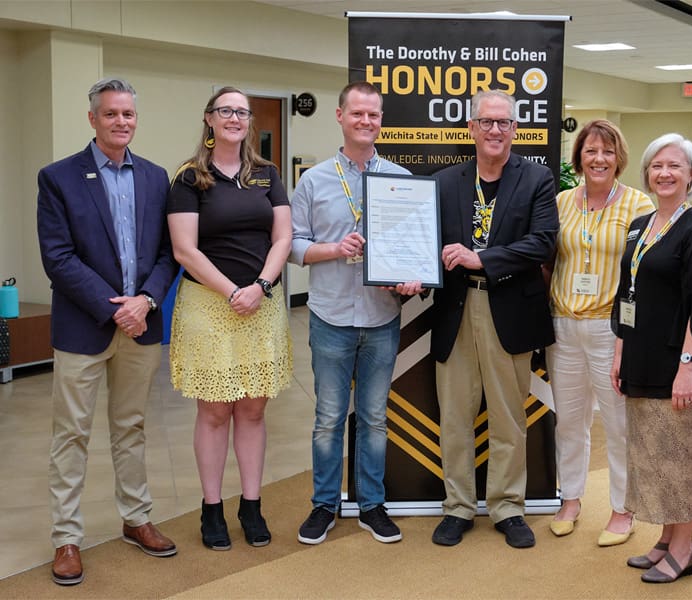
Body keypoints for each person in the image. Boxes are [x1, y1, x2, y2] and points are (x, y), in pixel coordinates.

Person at [37, 78, 178, 586]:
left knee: (132, 427)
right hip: (83, 327)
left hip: (142, 325)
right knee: (71, 434)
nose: (122, 121)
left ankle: (136, 518)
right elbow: (57, 257)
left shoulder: (157, 178)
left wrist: (146, 301)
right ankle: (66, 538)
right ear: (92, 118)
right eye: (112, 113)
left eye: (129, 114)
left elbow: (168, 254)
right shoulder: (58, 178)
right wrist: (112, 306)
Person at [290, 81, 422, 545]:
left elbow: (413, 252)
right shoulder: (314, 180)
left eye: (374, 115)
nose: (366, 121)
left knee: (374, 417)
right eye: (358, 113)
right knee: (328, 417)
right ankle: (325, 505)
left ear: (381, 120)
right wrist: (333, 248)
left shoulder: (401, 181)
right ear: (340, 116)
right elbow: (293, 246)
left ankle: (371, 505)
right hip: (330, 316)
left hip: (382, 317)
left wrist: (412, 278)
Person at [429, 89, 559, 549]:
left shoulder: (537, 179)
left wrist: (480, 257)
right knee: (455, 416)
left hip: (510, 309)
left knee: (508, 418)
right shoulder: (444, 183)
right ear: (471, 128)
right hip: (455, 310)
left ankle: (507, 506)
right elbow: (428, 247)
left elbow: (543, 243)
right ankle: (458, 507)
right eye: (486, 122)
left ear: (515, 130)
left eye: (504, 123)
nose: (495, 131)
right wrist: (406, 273)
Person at [168, 86, 293, 551]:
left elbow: (283, 237)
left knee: (254, 409)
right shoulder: (189, 178)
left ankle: (252, 505)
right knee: (216, 410)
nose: (235, 118)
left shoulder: (267, 174)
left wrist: (259, 288)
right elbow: (185, 249)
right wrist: (232, 292)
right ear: (210, 119)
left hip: (261, 306)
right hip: (209, 307)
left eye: (242, 112)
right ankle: (212, 508)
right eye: (226, 111)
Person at [610, 133, 692, 583]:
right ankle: (666, 539)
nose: (665, 173)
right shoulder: (640, 225)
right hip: (640, 360)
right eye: (657, 166)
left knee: (682, 459)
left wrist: (688, 369)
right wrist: (620, 352)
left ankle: (684, 549)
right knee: (653, 457)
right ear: (647, 174)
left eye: (675, 165)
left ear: (691, 175)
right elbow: (626, 295)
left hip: (678, 366)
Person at [546, 120, 654, 546]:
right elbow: (549, 259)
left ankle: (623, 509)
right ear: (579, 158)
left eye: (607, 152)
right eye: (591, 151)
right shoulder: (561, 203)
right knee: (569, 422)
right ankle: (570, 499)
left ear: (619, 158)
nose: (599, 159)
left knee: (619, 423)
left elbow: (647, 273)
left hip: (612, 330)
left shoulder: (638, 204)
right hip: (564, 324)